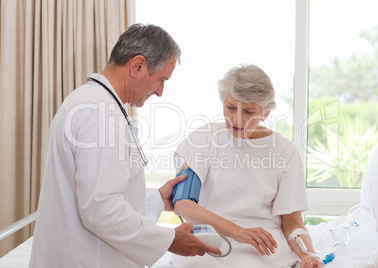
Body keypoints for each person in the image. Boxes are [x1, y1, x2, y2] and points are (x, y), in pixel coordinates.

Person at [29, 24, 221, 268]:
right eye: (161, 79)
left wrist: (157, 199)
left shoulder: (91, 102)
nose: (161, 92)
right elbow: (102, 210)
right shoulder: (101, 114)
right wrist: (170, 239)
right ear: (137, 66)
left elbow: (99, 192)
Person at [160, 65, 322, 268]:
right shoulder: (204, 138)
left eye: (248, 111)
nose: (237, 119)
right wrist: (237, 232)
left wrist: (309, 255)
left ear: (266, 112)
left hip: (262, 245)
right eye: (231, 107)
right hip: (210, 238)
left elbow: (293, 223)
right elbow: (183, 203)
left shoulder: (285, 151)